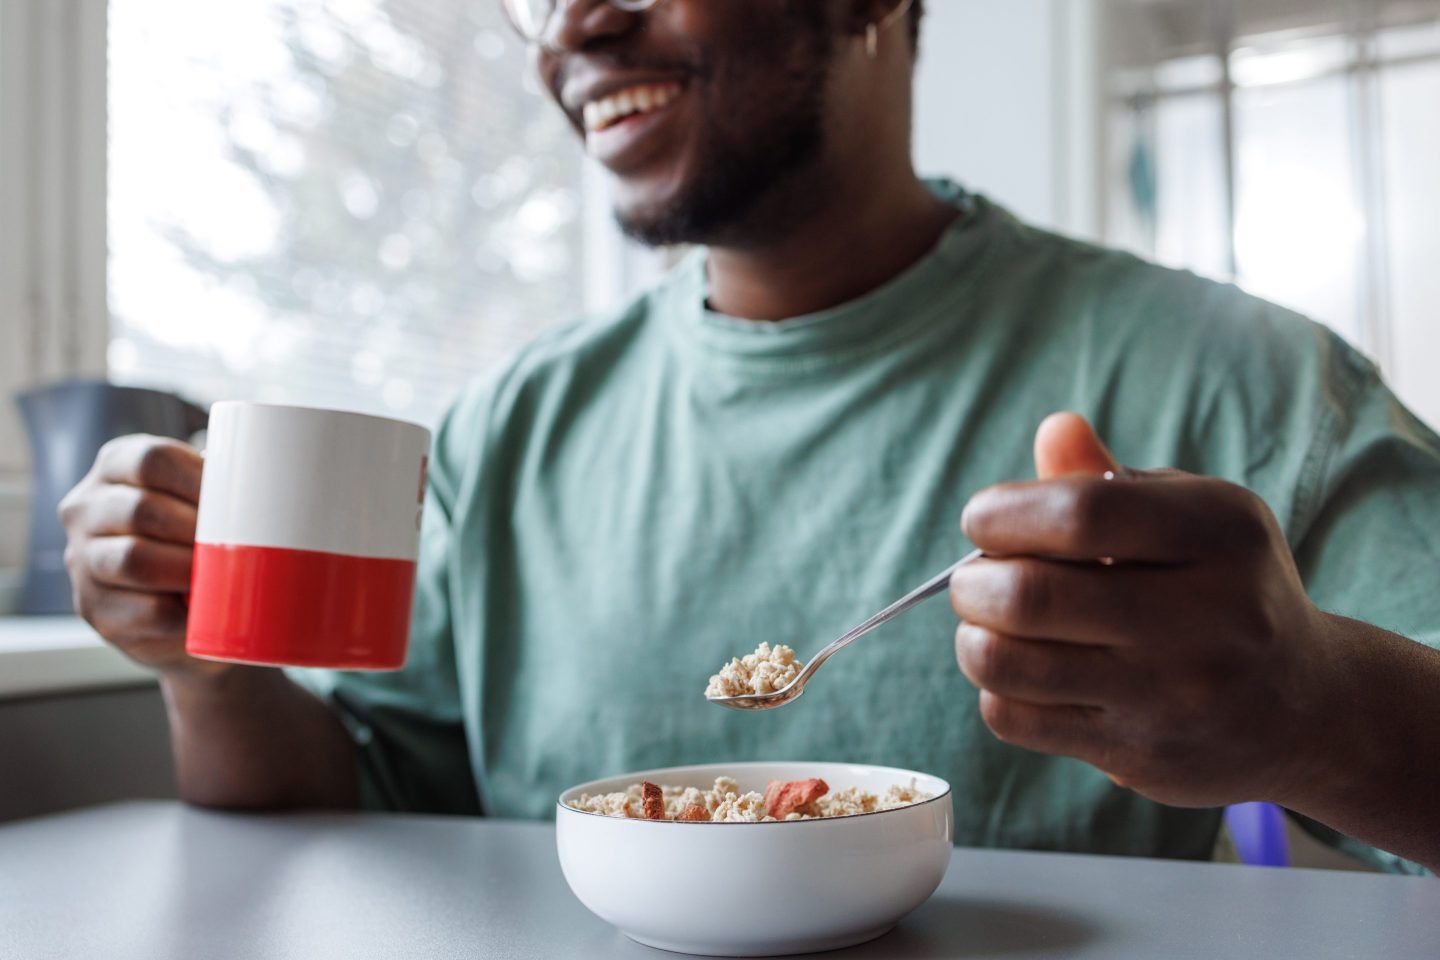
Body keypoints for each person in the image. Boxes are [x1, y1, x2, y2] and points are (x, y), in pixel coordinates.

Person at [59, 0, 1440, 873]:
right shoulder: (508, 428)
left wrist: (1321, 709)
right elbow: (353, 817)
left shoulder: (1242, 382)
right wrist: (210, 675)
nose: (570, 28)